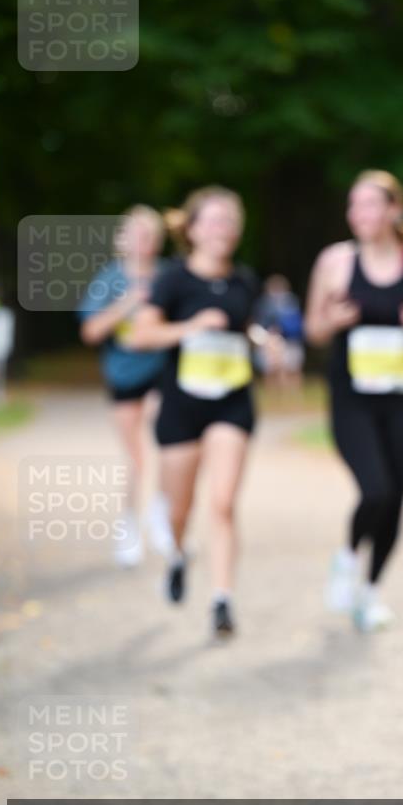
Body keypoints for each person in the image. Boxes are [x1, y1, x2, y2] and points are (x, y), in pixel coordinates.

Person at [305, 170, 403, 631]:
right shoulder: (335, 261)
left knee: (396, 497)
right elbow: (313, 331)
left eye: (370, 204)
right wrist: (333, 320)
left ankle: (370, 592)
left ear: (394, 210)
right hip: (352, 398)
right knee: (376, 490)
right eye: (354, 205)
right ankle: (349, 558)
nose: (359, 214)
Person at [131, 186, 260, 639]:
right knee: (179, 509)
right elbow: (141, 336)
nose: (223, 228)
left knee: (222, 502)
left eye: (230, 220)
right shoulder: (173, 279)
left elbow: (246, 330)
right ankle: (179, 552)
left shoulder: (245, 281)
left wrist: (264, 343)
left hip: (232, 400)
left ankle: (222, 600)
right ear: (193, 229)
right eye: (214, 220)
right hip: (181, 405)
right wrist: (191, 326)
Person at [78, 205, 169, 567]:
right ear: (122, 240)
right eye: (135, 234)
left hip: (163, 370)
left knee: (165, 438)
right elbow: (90, 331)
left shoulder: (168, 276)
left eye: (148, 235)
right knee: (135, 457)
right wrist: (128, 303)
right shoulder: (109, 279)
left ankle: (161, 515)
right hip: (124, 375)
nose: (142, 242)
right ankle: (129, 524)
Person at [253, 274, 305, 388]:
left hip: (290, 340)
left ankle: (291, 392)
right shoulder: (264, 304)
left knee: (291, 368)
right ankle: (275, 392)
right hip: (271, 340)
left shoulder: (291, 303)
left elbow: (296, 324)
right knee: (271, 368)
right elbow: (259, 322)